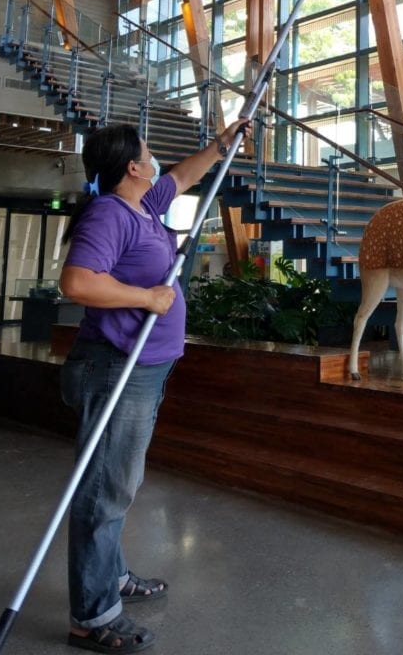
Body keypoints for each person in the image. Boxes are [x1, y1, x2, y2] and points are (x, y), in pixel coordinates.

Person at [59, 119, 248, 652]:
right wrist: (147, 299)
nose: (156, 157)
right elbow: (77, 282)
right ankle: (92, 617)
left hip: (144, 368)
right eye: (147, 151)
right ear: (132, 168)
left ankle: (112, 576)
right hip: (116, 367)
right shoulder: (109, 214)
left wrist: (221, 144)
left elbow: (185, 176)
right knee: (105, 489)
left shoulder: (144, 203)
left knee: (119, 479)